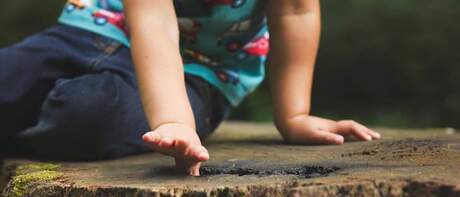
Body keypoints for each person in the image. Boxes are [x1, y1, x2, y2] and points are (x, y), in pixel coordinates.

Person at [0, 0, 380, 176]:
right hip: (91, 30)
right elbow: (155, 25)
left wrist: (293, 114)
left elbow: (295, 11)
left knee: (83, 115)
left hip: (201, 72)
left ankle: (25, 126)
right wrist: (174, 120)